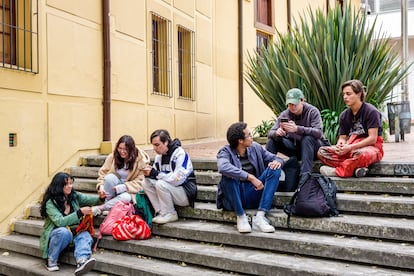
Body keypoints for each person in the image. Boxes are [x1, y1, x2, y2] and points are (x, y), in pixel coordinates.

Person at [216, 122, 283, 233]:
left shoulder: (256, 147)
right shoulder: (225, 152)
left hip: (254, 192)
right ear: (240, 141)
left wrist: (277, 162)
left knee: (275, 168)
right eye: (249, 135)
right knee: (228, 176)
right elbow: (223, 167)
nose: (252, 137)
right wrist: (250, 177)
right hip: (234, 198)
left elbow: (276, 158)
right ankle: (241, 217)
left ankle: (260, 217)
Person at [39, 172, 105, 274]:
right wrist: (79, 213)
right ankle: (51, 260)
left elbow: (90, 200)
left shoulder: (74, 196)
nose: (70, 186)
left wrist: (101, 198)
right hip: (57, 236)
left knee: (85, 235)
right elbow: (60, 222)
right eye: (66, 184)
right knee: (63, 232)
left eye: (71, 183)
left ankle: (82, 261)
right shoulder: (50, 203)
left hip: (74, 233)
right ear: (59, 186)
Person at [317, 79, 384, 177]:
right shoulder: (344, 115)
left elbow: (372, 139)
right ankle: (356, 168)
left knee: (360, 155)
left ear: (359, 94)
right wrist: (340, 145)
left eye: (348, 94)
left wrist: (350, 147)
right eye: (344, 94)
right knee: (322, 152)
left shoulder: (371, 112)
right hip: (351, 147)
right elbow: (343, 137)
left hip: (371, 148)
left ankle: (339, 171)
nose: (345, 97)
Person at [266, 88, 329, 182]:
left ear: (302, 101)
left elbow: (318, 133)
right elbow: (270, 133)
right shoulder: (285, 114)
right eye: (290, 104)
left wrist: (297, 129)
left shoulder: (312, 111)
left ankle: (304, 177)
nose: (292, 107)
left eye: (295, 104)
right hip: (295, 149)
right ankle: (266, 172)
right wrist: (277, 133)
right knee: (272, 140)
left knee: (307, 138)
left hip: (314, 149)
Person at [143, 129, 197, 224]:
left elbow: (177, 179)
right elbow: (156, 175)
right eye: (153, 145)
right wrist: (149, 174)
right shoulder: (159, 157)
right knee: (146, 183)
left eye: (157, 145)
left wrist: (156, 174)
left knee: (160, 184)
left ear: (166, 142)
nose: (154, 148)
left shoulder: (180, 154)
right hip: (169, 191)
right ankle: (161, 212)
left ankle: (170, 213)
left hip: (185, 193)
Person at [93, 135, 150, 215]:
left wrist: (124, 187)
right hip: (113, 189)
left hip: (130, 190)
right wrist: (101, 186)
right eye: (120, 148)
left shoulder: (141, 160)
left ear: (131, 149)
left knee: (126, 197)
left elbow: (142, 181)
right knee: (109, 178)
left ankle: (102, 207)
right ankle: (109, 202)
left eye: (125, 149)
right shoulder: (112, 157)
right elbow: (103, 173)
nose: (122, 151)